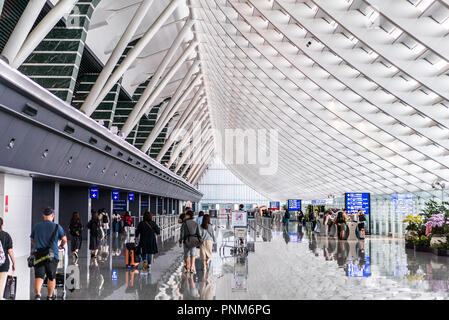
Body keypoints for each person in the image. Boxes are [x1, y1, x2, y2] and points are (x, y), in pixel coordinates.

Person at [30, 207, 67, 300]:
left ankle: (38, 295)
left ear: (43, 215)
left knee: (39, 275)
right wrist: (61, 246)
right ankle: (50, 296)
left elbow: (32, 239)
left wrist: (38, 244)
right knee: (51, 276)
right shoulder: (57, 227)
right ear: (52, 215)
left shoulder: (37, 226)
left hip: (39, 254)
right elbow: (64, 239)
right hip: (52, 255)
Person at [0, 217, 15, 299]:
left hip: (3, 265)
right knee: (0, 286)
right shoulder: (6, 236)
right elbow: (10, 251)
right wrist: (14, 263)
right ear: (2, 224)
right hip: (3, 264)